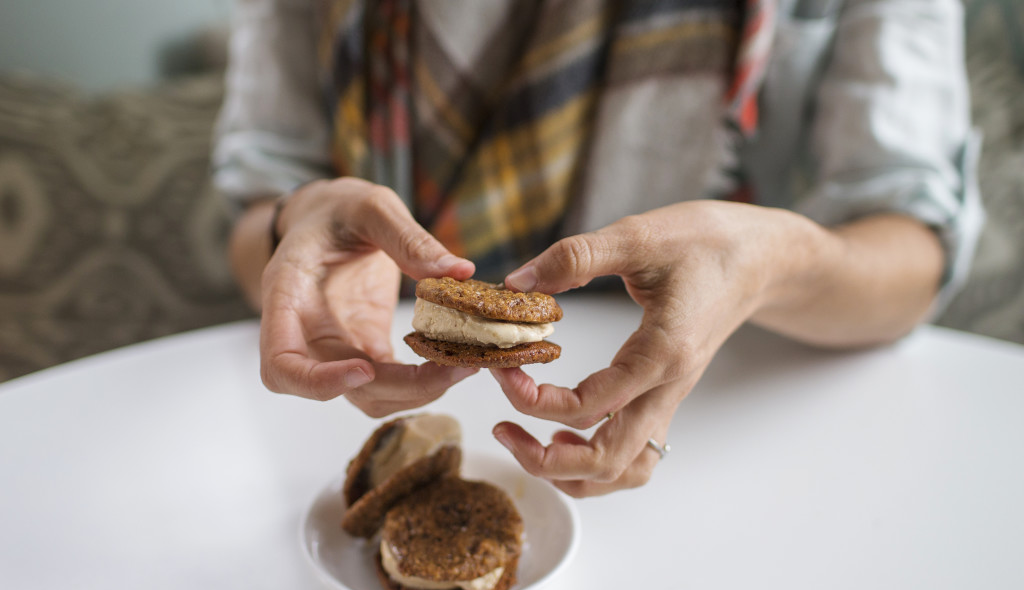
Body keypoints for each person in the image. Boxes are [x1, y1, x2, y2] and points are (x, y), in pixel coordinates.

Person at [213, 0, 982, 497]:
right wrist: (295, 222)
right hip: (326, 425)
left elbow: (910, 244)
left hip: (748, 425)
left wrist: (774, 257)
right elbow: (260, 215)